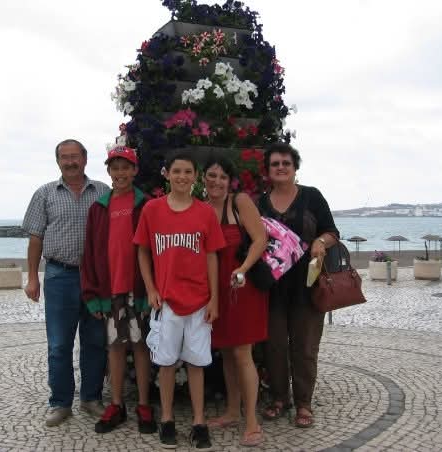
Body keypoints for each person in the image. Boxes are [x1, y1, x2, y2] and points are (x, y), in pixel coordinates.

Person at [133, 150, 226, 450]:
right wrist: (150, 288)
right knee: (167, 363)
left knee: (197, 364)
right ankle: (168, 419)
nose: (182, 177)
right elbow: (143, 251)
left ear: (195, 176)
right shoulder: (152, 210)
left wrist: (214, 298)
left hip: (199, 301)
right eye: (177, 171)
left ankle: (199, 422)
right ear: (167, 174)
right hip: (166, 302)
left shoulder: (205, 213)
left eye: (188, 172)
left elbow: (211, 257)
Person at [22, 139, 109, 427]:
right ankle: (60, 403)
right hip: (59, 276)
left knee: (95, 341)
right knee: (59, 344)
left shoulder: (102, 192)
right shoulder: (44, 194)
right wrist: (32, 277)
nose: (70, 162)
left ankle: (91, 398)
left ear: (85, 159)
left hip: (95, 278)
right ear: (58, 161)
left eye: (75, 156)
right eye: (64, 157)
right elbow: (35, 238)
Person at [257, 142, 339, 428]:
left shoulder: (311, 196)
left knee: (305, 347)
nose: (281, 167)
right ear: (268, 170)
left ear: (295, 167)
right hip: (272, 288)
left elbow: (332, 232)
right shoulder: (259, 203)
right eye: (275, 164)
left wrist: (320, 241)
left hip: (307, 286)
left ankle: (304, 403)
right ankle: (280, 398)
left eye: (286, 163)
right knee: (274, 347)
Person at [81, 145, 157, 435]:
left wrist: (151, 291)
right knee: (114, 345)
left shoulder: (146, 205)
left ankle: (144, 404)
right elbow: (90, 254)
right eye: (115, 167)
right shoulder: (99, 208)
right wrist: (92, 295)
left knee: (140, 345)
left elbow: (155, 251)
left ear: (135, 170)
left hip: (138, 289)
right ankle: (116, 404)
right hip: (109, 290)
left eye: (126, 167)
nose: (121, 173)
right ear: (109, 171)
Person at [202, 156, 268, 447]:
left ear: (230, 182)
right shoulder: (202, 208)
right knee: (227, 351)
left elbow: (260, 239)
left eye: (222, 177)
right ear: (203, 178)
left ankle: (252, 422)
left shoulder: (239, 202)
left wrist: (242, 268)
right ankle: (232, 411)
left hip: (243, 287)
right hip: (216, 290)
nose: (216, 181)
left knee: (242, 352)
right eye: (211, 175)